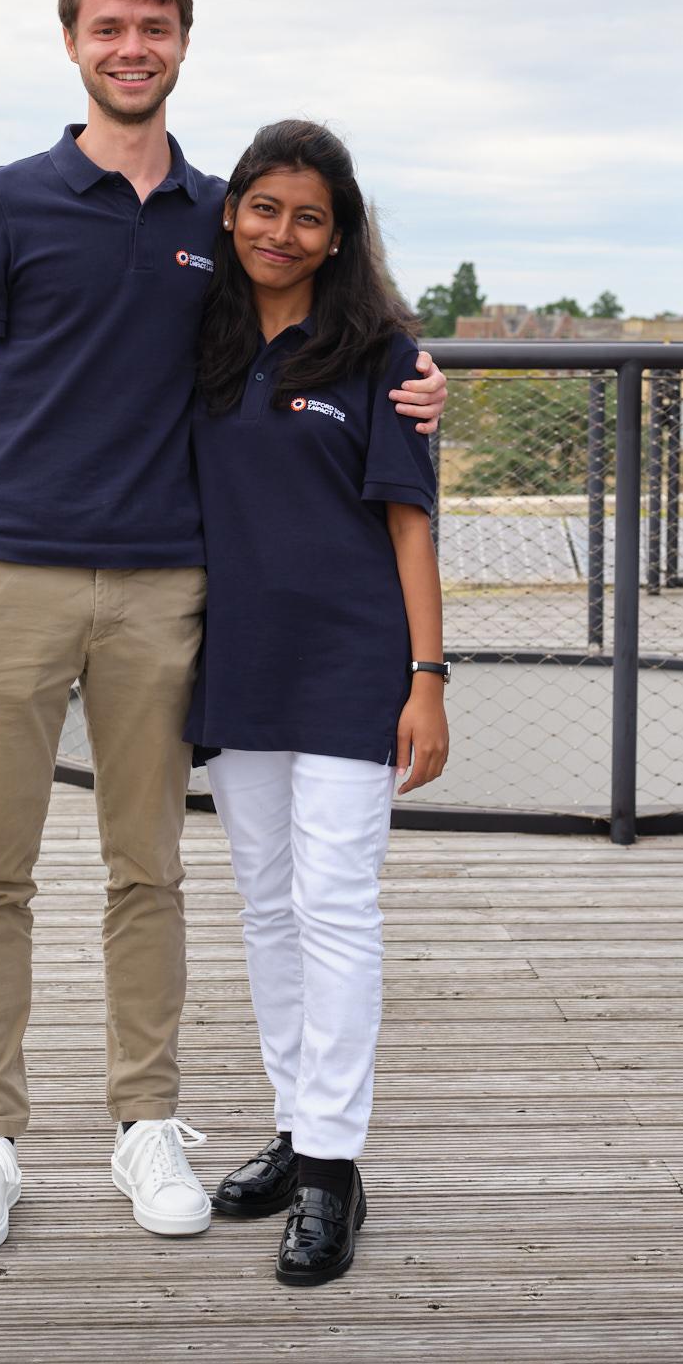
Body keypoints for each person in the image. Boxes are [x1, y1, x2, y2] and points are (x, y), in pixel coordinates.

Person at [0, 0, 447, 1259]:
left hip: (167, 591)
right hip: (13, 573)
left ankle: (146, 1124)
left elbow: (336, 326)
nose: (131, 46)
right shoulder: (2, 199)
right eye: (109, 27)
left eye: (154, 25)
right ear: (75, 42)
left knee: (149, 869)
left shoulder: (222, 222)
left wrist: (426, 385)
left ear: (184, 41)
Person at [183, 119, 447, 1287]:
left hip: (350, 666)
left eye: (307, 216)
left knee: (337, 908)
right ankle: (296, 1133)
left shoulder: (385, 358)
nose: (279, 233)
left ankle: (336, 1169)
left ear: (338, 235)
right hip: (235, 664)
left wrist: (428, 679)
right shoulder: (199, 338)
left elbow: (409, 524)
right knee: (267, 908)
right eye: (261, 207)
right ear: (231, 210)